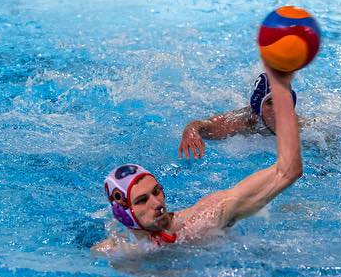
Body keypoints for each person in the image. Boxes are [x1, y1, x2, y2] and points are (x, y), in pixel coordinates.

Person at [94, 65, 302, 253]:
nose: (157, 203)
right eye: (142, 200)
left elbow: (287, 170)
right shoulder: (114, 251)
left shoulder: (201, 221)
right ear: (122, 211)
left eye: (157, 191)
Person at [177, 72, 300, 158]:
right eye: (270, 102)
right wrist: (190, 131)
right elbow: (203, 125)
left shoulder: (299, 126)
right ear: (259, 107)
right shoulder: (244, 121)